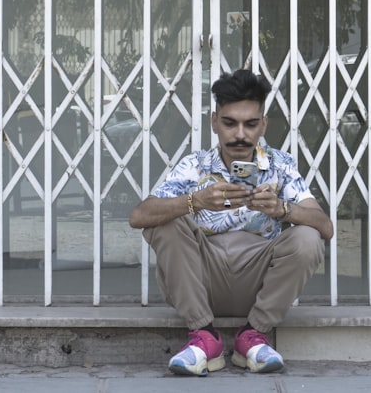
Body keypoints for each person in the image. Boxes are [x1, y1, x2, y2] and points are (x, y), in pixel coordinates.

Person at [129, 69, 334, 376]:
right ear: (214, 122)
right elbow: (139, 217)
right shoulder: (194, 166)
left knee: (307, 236)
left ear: (263, 125)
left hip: (258, 284)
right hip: (201, 283)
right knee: (166, 221)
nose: (240, 135)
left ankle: (253, 335)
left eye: (250, 124)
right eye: (229, 123)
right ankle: (204, 337)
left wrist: (282, 208)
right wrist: (195, 201)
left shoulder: (280, 166)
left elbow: (325, 226)